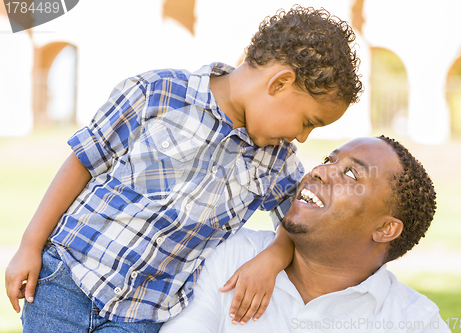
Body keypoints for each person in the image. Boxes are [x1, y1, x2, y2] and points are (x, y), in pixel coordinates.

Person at [4, 5, 363, 332]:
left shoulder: (276, 159)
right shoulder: (157, 93)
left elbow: (298, 221)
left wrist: (272, 258)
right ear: (279, 83)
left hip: (142, 315)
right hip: (65, 279)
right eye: (307, 122)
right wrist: (29, 246)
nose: (302, 138)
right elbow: (82, 162)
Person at [160, 136, 451, 333]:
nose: (320, 170)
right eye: (329, 159)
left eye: (351, 174)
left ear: (385, 229)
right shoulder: (229, 255)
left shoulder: (415, 321)